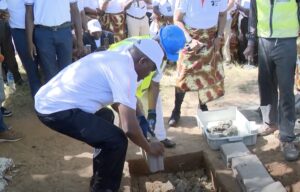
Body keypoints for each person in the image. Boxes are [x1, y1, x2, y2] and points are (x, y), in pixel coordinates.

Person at [35, 39, 165, 191]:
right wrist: (149, 147)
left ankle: (100, 176)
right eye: (151, 69)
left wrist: (140, 117)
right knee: (116, 141)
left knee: (106, 116)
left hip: (50, 99)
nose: (149, 74)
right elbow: (129, 128)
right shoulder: (125, 71)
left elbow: (122, 102)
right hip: (55, 109)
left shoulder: (120, 55)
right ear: (142, 61)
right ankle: (104, 189)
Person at [109, 25, 186, 148]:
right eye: (165, 54)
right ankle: (117, 147)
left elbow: (155, 84)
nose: (164, 58)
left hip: (142, 85)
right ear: (158, 42)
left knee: (156, 107)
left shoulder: (159, 54)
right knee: (120, 120)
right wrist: (137, 116)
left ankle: (159, 137)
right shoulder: (129, 51)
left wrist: (151, 112)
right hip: (116, 84)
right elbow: (124, 95)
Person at [244, 0, 299, 161]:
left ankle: (287, 137)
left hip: (286, 41)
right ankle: (270, 123)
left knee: (286, 89)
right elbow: (253, 16)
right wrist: (251, 42)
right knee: (265, 84)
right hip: (264, 41)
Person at [168, 0, 227, 127]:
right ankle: (176, 110)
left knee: (206, 73)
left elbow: (223, 14)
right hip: (190, 39)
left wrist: (219, 36)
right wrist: (190, 40)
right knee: (182, 76)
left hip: (211, 39)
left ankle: (202, 106)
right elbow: (177, 19)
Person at [25, 0, 84, 82]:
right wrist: (30, 42)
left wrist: (80, 39)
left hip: (64, 31)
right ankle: (54, 94)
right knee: (50, 72)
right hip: (43, 33)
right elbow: (29, 12)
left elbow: (75, 10)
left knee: (67, 69)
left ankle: (66, 94)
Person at [6, 0, 41, 97]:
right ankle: (39, 102)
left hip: (40, 27)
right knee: (31, 68)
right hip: (19, 30)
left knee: (46, 65)